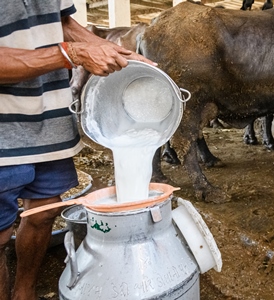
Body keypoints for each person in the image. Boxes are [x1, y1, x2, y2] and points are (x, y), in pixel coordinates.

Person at [0, 1, 156, 299]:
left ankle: (25, 292)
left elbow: (62, 23)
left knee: (45, 212)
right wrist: (72, 54)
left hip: (50, 118)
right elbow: (69, 48)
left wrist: (122, 54)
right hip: (4, 127)